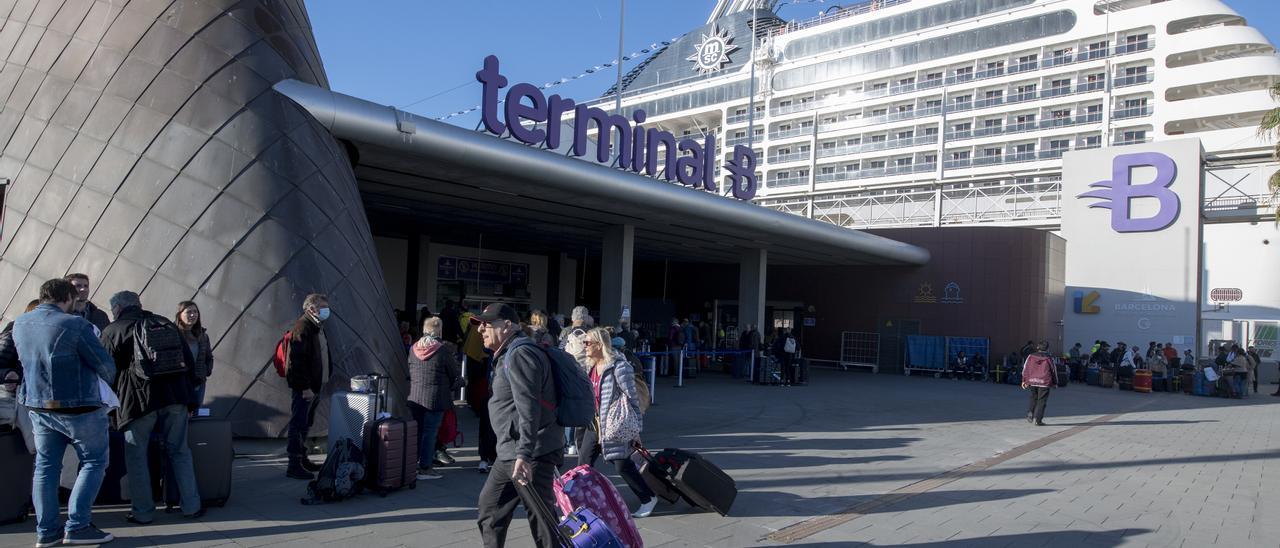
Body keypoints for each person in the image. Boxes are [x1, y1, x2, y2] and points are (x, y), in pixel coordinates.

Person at [14, 279, 117, 547]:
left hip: (38, 405)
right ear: (68, 297)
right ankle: (77, 527)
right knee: (94, 462)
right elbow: (105, 366)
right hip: (79, 407)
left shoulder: (21, 323)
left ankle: (46, 533)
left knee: (46, 468)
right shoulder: (75, 324)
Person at [100, 291, 204, 524]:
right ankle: (191, 505)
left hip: (137, 403)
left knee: (137, 456)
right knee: (180, 450)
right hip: (175, 398)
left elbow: (104, 370)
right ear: (139, 304)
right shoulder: (164, 323)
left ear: (117, 309)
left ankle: (143, 511)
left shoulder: (113, 330)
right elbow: (188, 361)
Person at [473, 303, 564, 548]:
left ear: (508, 326)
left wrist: (524, 453)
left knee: (543, 521)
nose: (481, 329)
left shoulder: (521, 353)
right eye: (480, 324)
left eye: (487, 324)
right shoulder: (507, 353)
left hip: (530, 453)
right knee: (489, 510)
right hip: (510, 452)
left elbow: (529, 406)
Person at [573, 328, 657, 518]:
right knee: (582, 465)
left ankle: (648, 497)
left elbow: (632, 397)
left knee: (621, 465)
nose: (584, 346)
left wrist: (636, 429)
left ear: (599, 345)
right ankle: (582, 503)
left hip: (613, 425)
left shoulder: (619, 366)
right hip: (593, 425)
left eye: (587, 343)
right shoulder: (590, 366)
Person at [407, 316, 464, 480]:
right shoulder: (443, 350)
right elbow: (453, 374)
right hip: (435, 398)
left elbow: (410, 369)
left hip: (415, 397)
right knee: (430, 433)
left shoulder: (413, 348)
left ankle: (412, 466)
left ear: (424, 329)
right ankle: (425, 468)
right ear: (439, 330)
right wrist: (460, 382)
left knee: (417, 432)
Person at [284, 294, 331, 479]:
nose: (326, 310)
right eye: (322, 306)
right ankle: (294, 463)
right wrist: (304, 387)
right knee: (299, 423)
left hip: (315, 385)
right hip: (306, 388)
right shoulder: (303, 327)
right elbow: (297, 361)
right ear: (311, 308)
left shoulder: (316, 327)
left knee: (306, 424)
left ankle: (302, 458)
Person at [175, 301, 213, 408]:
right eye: (189, 312)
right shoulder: (173, 334)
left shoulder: (203, 336)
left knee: (195, 417)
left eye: (195, 312)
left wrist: (206, 371)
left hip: (198, 384)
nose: (193, 315)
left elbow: (209, 357)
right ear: (180, 315)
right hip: (179, 385)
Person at [1021, 341, 1055, 426]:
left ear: (1037, 347)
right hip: (1044, 382)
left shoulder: (1030, 356)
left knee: (1033, 398)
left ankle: (1030, 412)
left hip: (1032, 381)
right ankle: (1038, 421)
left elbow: (1025, 368)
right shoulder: (1049, 358)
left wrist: (1024, 380)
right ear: (1047, 348)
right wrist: (1055, 382)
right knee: (1042, 401)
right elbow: (1053, 371)